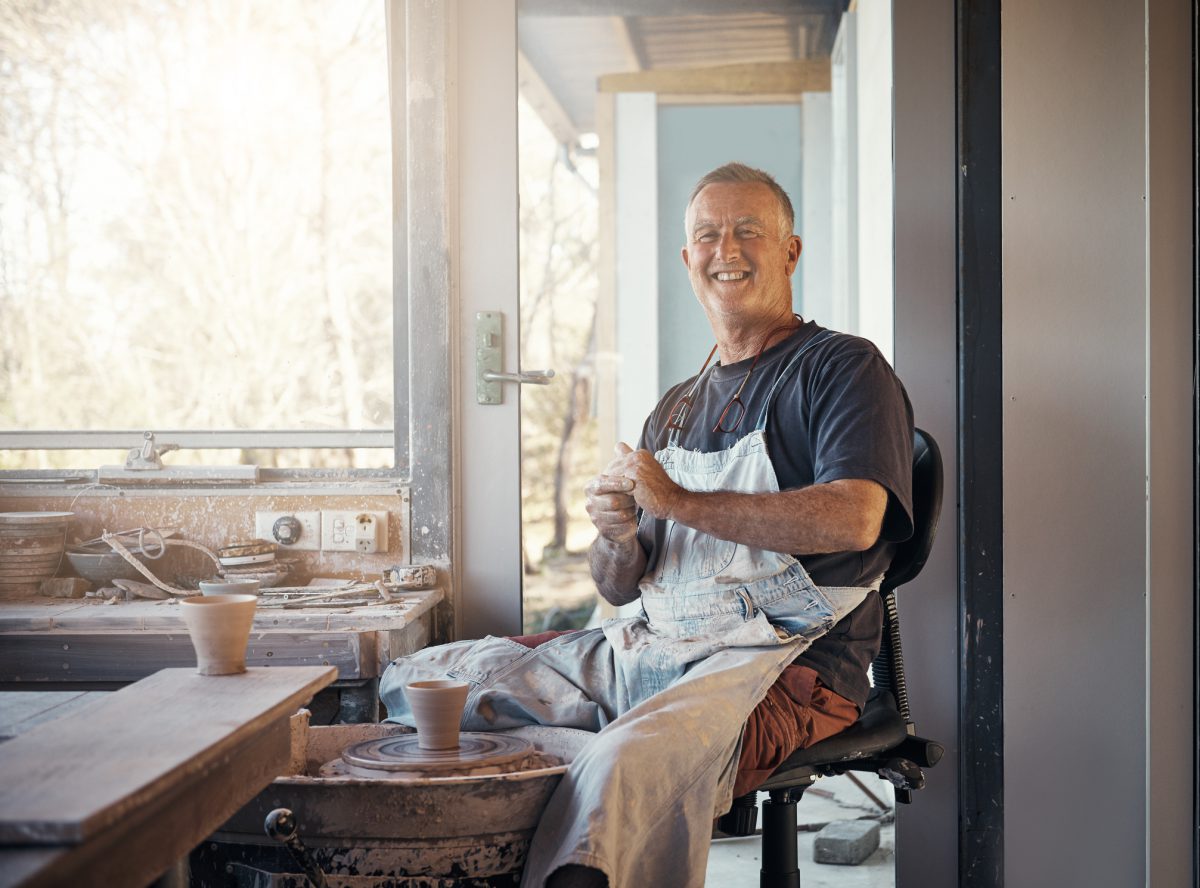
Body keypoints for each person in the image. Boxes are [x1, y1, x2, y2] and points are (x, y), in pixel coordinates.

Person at [379, 162, 914, 888]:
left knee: (618, 773)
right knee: (420, 683)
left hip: (779, 668)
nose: (726, 249)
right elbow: (622, 588)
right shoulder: (676, 404)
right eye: (707, 235)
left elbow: (857, 519)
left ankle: (595, 765)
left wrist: (678, 501)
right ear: (687, 259)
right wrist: (617, 536)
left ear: (789, 251)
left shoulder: (842, 368)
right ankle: (581, 748)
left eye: (748, 231)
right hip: (649, 648)